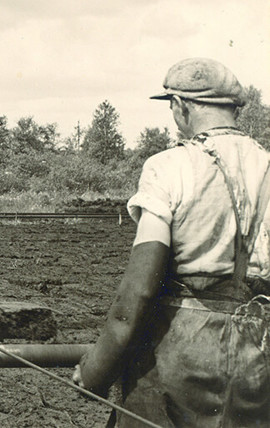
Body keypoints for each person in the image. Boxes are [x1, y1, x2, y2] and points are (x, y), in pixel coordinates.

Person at [73, 58, 270, 427]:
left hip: (182, 353)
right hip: (256, 356)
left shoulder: (169, 166)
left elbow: (140, 287)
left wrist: (96, 368)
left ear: (179, 106)